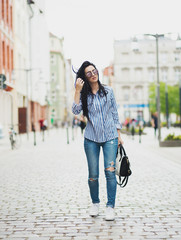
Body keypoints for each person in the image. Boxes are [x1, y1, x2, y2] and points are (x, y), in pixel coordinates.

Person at [72, 61, 123, 221]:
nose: (93, 74)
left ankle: (110, 207)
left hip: (110, 137)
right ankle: (95, 203)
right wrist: (77, 91)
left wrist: (119, 135)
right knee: (93, 175)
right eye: (88, 73)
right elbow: (75, 111)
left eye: (94, 71)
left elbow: (114, 113)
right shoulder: (84, 94)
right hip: (91, 138)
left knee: (110, 173)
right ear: (84, 77)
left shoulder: (108, 91)